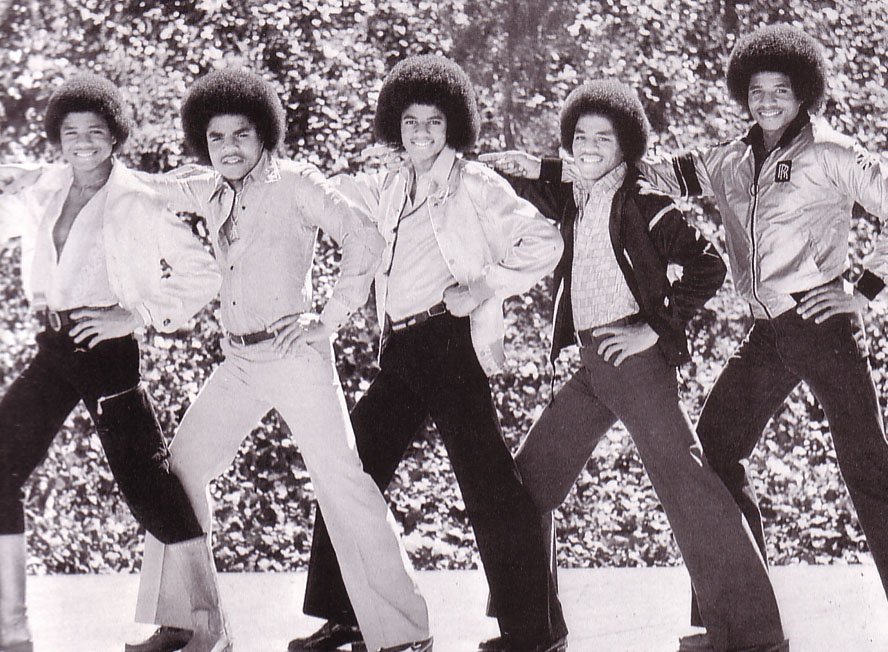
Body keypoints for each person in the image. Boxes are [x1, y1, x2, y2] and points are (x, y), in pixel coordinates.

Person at [126, 68, 432, 652]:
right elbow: (142, 187)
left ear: (264, 132)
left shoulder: (296, 182)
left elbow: (365, 239)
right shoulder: (209, 186)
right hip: (238, 363)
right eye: (216, 138)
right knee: (182, 467)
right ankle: (194, 625)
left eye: (241, 134)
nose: (229, 148)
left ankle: (406, 634)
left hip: (295, 357)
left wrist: (328, 318)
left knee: (342, 483)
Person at [480, 80, 787, 652]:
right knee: (527, 484)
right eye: (580, 136)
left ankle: (754, 638)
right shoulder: (574, 194)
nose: (590, 146)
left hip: (636, 365)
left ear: (626, 145)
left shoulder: (643, 198)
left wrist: (654, 327)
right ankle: (536, 630)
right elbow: (519, 177)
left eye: (604, 137)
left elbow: (708, 265)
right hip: (591, 367)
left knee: (688, 488)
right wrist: (513, 162)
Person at [287, 55, 568, 652]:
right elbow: (326, 192)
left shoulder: (474, 183)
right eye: (410, 122)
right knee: (350, 472)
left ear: (452, 126)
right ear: (396, 125)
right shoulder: (389, 185)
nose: (421, 133)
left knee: (487, 485)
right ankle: (349, 615)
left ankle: (535, 633)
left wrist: (485, 285)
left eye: (434, 122)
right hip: (401, 352)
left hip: (448, 346)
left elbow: (544, 239)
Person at [634, 24, 888, 650]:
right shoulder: (730, 159)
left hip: (820, 325)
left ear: (804, 92)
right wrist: (562, 166)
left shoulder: (831, 152)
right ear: (742, 95)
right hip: (767, 333)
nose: (767, 100)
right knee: (715, 448)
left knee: (868, 468)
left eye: (780, 89)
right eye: (756, 90)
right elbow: (654, 173)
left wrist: (864, 289)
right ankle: (745, 621)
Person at [0, 74, 224, 652]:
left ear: (116, 136)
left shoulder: (136, 200)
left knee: (146, 484)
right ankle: (10, 630)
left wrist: (135, 316)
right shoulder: (49, 186)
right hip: (54, 350)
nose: (83, 142)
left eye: (95, 131)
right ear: (58, 138)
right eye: (71, 132)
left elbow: (203, 274)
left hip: (106, 354)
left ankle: (208, 629)